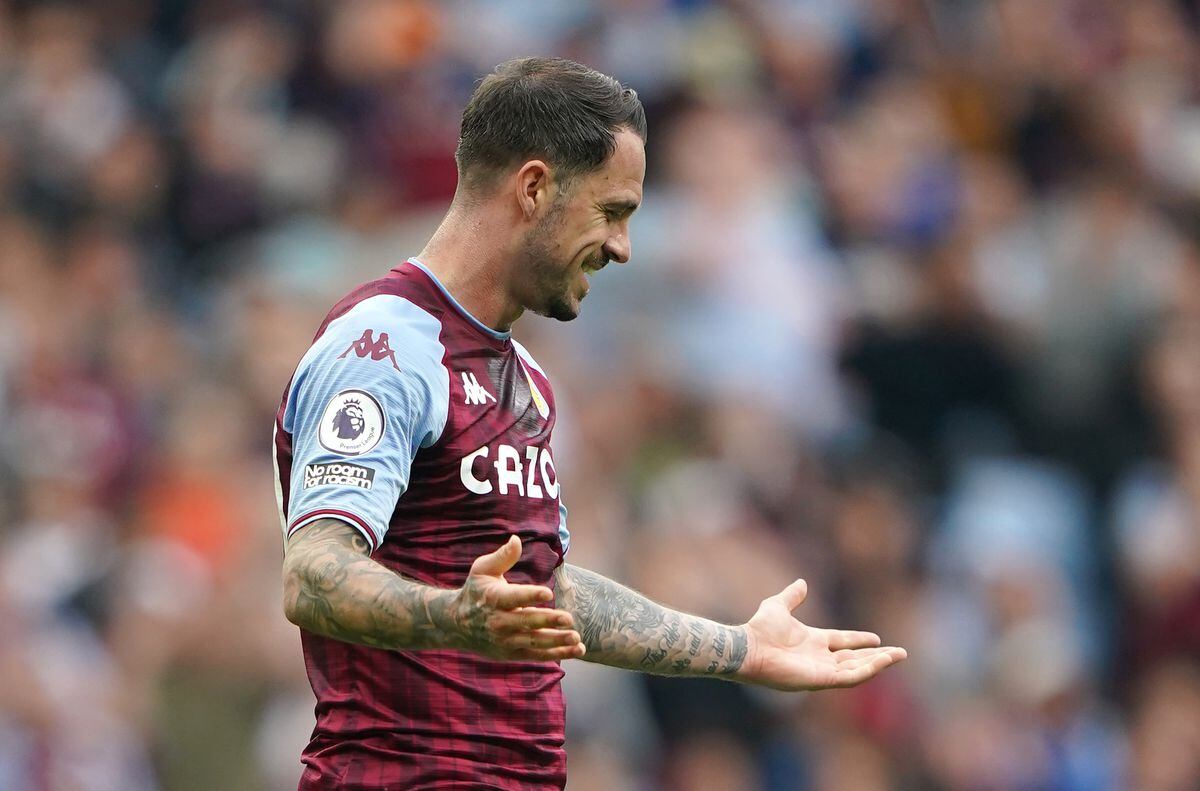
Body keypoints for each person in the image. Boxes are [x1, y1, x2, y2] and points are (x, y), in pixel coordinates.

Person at [275, 56, 907, 790]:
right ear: (535, 187)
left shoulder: (528, 380)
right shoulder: (385, 345)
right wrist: (454, 615)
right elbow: (313, 574)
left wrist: (741, 650)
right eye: (612, 212)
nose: (622, 247)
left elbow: (548, 594)